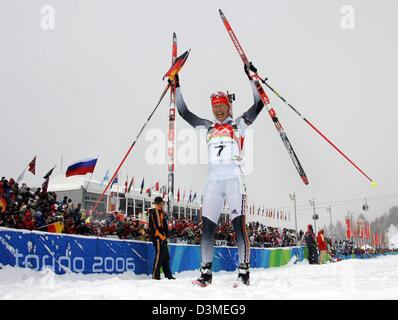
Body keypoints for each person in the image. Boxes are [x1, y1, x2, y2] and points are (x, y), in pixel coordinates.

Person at [175, 62, 265, 287]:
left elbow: (260, 103)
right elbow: (183, 112)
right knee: (207, 229)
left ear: (228, 107)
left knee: (238, 227)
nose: (218, 110)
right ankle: (206, 273)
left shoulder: (239, 124)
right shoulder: (207, 127)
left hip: (234, 179)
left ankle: (243, 273)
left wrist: (252, 77)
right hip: (213, 181)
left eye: (221, 106)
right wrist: (175, 84)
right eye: (214, 106)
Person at [148, 196, 175, 280]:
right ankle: (155, 275)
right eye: (163, 203)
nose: (163, 204)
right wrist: (162, 237)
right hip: (158, 237)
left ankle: (168, 275)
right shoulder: (156, 211)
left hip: (161, 237)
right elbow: (158, 226)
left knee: (165, 256)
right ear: (160, 203)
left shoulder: (159, 211)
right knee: (159, 255)